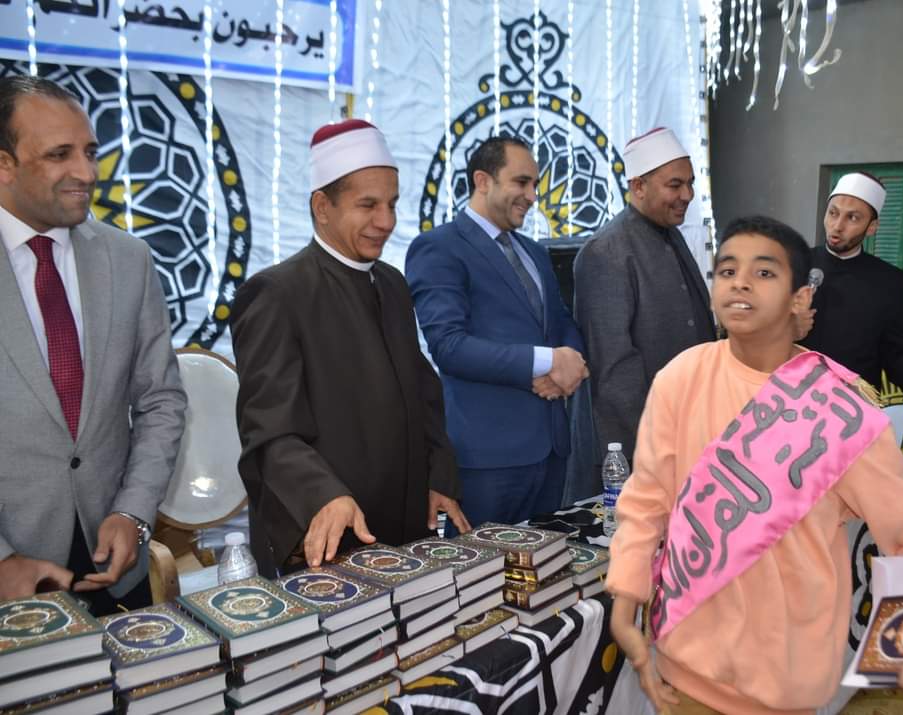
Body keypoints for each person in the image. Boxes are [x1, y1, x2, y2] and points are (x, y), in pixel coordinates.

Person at [606, 215, 903, 714]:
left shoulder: (840, 410)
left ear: (800, 299)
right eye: (727, 270)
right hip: (681, 665)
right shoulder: (681, 377)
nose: (740, 282)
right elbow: (647, 500)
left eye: (764, 272)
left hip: (781, 683)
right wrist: (625, 601)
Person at [232, 119, 467, 577]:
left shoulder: (392, 284)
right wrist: (322, 494)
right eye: (368, 205)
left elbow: (423, 394)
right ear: (322, 207)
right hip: (328, 530)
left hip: (404, 525)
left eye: (392, 204)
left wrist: (439, 477)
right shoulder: (276, 293)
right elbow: (270, 431)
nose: (387, 221)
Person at [0, 76, 186, 613]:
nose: (86, 173)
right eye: (60, 155)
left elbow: (161, 400)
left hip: (113, 568)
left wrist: (133, 512)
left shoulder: (128, 260)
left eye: (90, 152)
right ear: (4, 164)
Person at [406, 136, 587, 531]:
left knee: (547, 565)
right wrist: (547, 362)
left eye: (535, 184)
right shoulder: (438, 247)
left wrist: (568, 367)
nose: (532, 196)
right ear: (482, 181)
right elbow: (449, 346)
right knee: (483, 570)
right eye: (521, 182)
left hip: (552, 453)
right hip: (487, 460)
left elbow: (561, 322)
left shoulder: (535, 252)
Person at [573, 127, 714, 467]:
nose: (687, 195)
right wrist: (653, 447)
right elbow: (615, 372)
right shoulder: (606, 252)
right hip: (643, 445)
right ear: (638, 186)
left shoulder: (670, 234)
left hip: (690, 431)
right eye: (675, 185)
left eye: (690, 183)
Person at [800, 172, 903, 417]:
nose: (837, 226)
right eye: (833, 213)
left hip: (852, 413)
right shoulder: (792, 265)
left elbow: (896, 352)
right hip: (785, 402)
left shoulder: (890, 282)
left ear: (872, 227)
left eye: (852, 218)